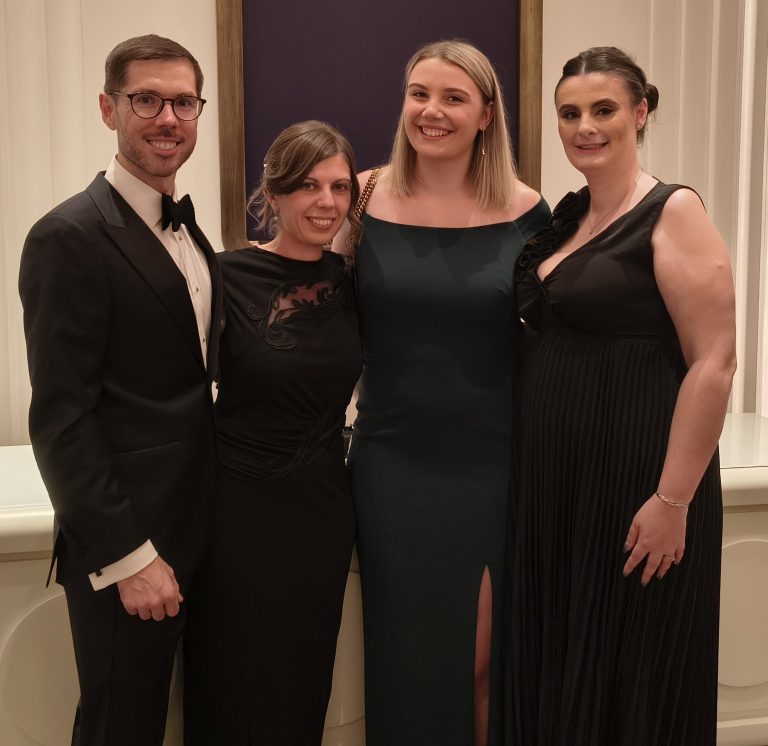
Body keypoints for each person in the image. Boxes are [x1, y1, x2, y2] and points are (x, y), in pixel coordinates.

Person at [506, 46, 736, 746]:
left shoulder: (674, 210)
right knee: (564, 660)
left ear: (641, 112)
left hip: (639, 479)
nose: (585, 126)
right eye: (570, 113)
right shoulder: (569, 217)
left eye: (603, 110)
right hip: (557, 482)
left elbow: (715, 363)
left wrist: (673, 501)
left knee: (633, 671)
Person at [334, 39, 550, 746]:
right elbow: (307, 312)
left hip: (492, 461)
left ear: (486, 114)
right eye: (419, 93)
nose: (432, 111)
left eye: (453, 97)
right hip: (392, 461)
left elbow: (556, 339)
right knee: (404, 656)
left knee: (479, 660)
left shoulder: (527, 212)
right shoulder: (360, 197)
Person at [17, 34, 221, 746]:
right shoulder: (67, 237)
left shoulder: (193, 236)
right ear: (109, 109)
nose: (168, 117)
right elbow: (61, 420)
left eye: (184, 102)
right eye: (147, 100)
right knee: (119, 727)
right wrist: (130, 557)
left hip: (199, 530)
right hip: (128, 543)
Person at [183, 120, 362, 746]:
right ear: (275, 193)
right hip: (235, 509)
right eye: (309, 185)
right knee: (230, 675)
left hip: (320, 509)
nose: (326, 202)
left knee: (300, 678)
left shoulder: (352, 282)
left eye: (340, 187)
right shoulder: (222, 275)